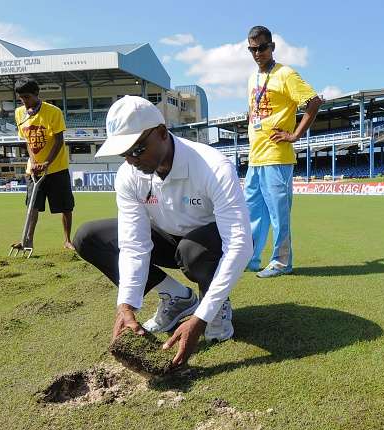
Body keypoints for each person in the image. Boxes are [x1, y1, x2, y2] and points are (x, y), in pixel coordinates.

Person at [73, 96, 252, 367]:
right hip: (168, 238)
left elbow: (239, 245)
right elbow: (134, 244)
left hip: (208, 243)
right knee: (88, 237)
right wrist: (127, 305)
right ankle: (178, 298)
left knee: (192, 252)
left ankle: (215, 307)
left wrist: (202, 317)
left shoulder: (213, 167)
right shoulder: (129, 174)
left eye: (138, 149)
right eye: (125, 153)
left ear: (161, 132)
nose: (131, 160)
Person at [244, 25, 323, 278]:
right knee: (252, 214)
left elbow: (314, 101)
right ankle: (251, 258)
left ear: (272, 47)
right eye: (253, 49)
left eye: (262, 48)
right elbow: (254, 111)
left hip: (277, 157)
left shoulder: (286, 74)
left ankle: (281, 261)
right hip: (255, 157)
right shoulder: (251, 78)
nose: (258, 53)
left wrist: (295, 135)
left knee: (279, 214)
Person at [12, 76, 75, 251]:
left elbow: (59, 140)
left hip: (57, 168)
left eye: (27, 97)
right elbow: (27, 141)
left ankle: (67, 240)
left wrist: (47, 162)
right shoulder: (19, 113)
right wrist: (34, 161)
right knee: (32, 206)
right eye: (21, 98)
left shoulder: (53, 112)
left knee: (65, 207)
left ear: (36, 94)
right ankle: (27, 241)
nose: (25, 102)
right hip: (34, 169)